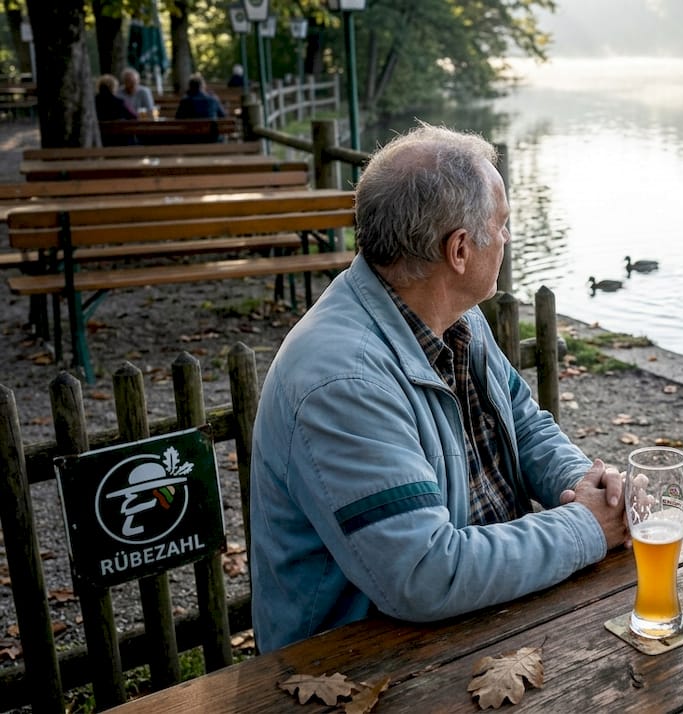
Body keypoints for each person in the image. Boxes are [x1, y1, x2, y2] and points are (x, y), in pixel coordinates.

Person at [249, 123, 629, 653]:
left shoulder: (452, 313)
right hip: (359, 661)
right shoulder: (343, 380)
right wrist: (586, 526)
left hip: (476, 618)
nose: (506, 238)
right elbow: (425, 573)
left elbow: (522, 418)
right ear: (459, 250)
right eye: (501, 226)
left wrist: (590, 483)